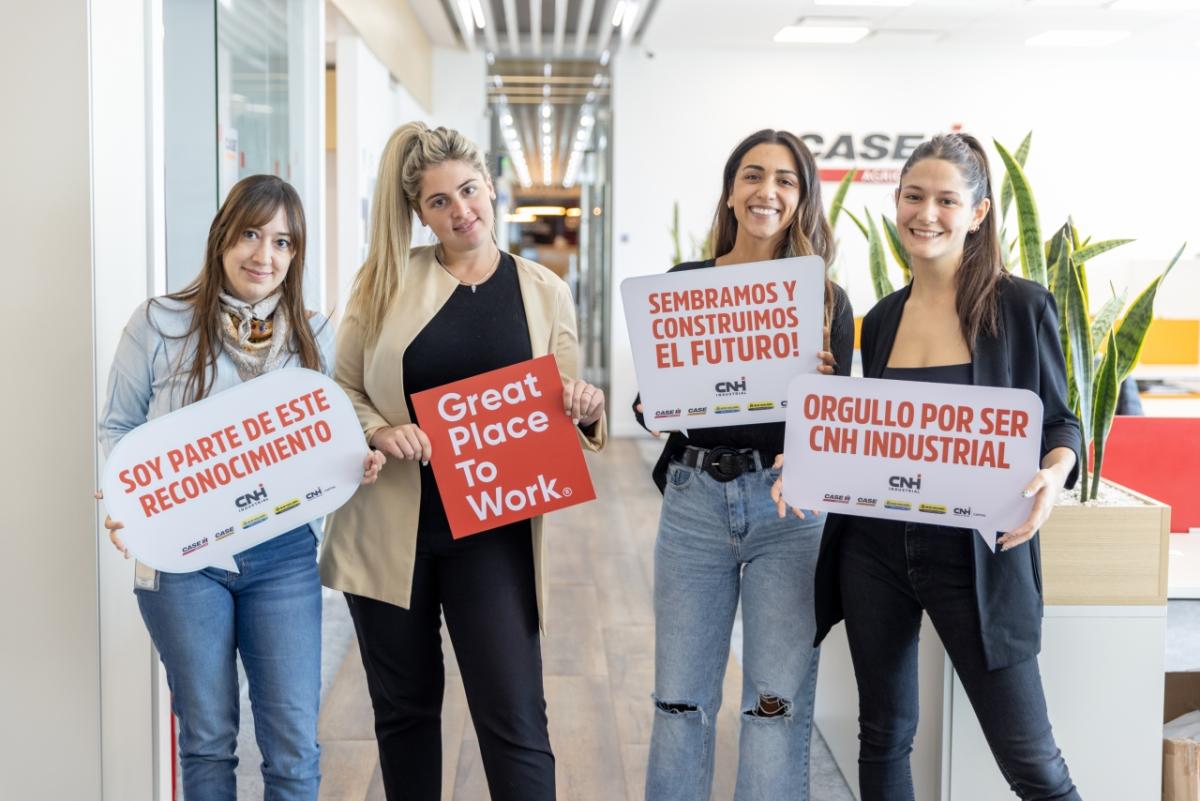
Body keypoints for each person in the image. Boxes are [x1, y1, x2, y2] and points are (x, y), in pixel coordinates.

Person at [780, 133, 1083, 801]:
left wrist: (1054, 476)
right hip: (874, 548)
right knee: (884, 735)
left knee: (1032, 761)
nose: (928, 213)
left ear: (977, 213)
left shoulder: (1021, 306)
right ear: (896, 204)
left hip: (978, 553)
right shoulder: (883, 318)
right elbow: (877, 440)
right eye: (914, 196)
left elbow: (1061, 422)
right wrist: (806, 452)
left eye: (947, 199)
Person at [319, 122, 607, 801]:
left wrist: (588, 409)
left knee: (513, 718)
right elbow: (342, 389)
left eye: (469, 191)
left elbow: (561, 411)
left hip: (493, 533)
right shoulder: (384, 282)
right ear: (420, 212)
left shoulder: (543, 291)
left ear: (490, 186)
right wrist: (382, 429)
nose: (460, 211)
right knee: (405, 712)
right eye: (439, 201)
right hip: (390, 531)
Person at [97, 174, 385, 801]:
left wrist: (354, 462)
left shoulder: (313, 333)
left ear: (296, 255)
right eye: (252, 234)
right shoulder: (159, 322)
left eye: (283, 242)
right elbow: (117, 428)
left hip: (282, 555)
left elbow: (331, 433)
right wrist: (122, 501)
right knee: (207, 740)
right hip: (181, 560)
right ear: (223, 235)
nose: (265, 255)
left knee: (293, 748)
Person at [634, 128, 854, 801]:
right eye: (753, 175)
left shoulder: (828, 302)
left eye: (785, 179)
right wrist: (655, 403)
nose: (768, 191)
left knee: (775, 705)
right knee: (679, 701)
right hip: (696, 498)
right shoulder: (685, 286)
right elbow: (652, 408)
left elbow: (836, 431)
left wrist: (821, 389)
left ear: (802, 196)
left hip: (788, 509)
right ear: (731, 192)